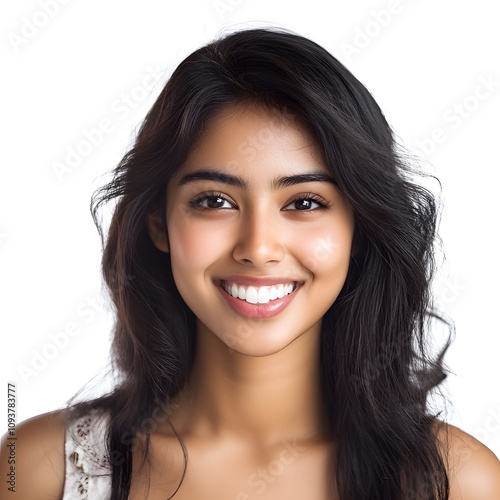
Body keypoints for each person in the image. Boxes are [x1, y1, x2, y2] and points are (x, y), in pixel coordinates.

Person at [1, 27, 499, 500]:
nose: (258, 248)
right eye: (215, 201)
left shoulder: (458, 482)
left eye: (304, 203)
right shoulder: (37, 469)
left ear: (360, 228)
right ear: (158, 223)